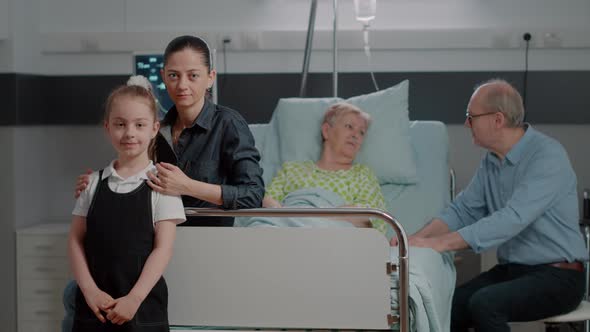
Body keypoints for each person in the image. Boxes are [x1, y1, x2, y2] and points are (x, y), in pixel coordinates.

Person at [391, 79, 587, 331]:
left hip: (560, 277)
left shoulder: (547, 156)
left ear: (497, 120)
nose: (466, 123)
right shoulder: (491, 162)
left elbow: (511, 218)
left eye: (471, 116)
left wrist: (439, 244)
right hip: (515, 270)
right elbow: (462, 210)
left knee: (485, 304)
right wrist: (413, 239)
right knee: (452, 305)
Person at [75, 35, 265, 227]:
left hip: (209, 240)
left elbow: (253, 195)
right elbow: (135, 176)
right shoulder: (156, 129)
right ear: (163, 76)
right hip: (154, 237)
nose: (182, 85)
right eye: (174, 75)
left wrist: (188, 186)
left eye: (193, 75)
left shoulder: (228, 124)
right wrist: (98, 185)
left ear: (210, 78)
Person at [68, 75, 186, 331]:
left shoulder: (162, 187)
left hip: (142, 309)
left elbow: (163, 249)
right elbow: (75, 240)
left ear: (154, 128)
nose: (130, 133)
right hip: (94, 310)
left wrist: (134, 298)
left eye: (139, 125)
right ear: (107, 127)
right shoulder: (91, 184)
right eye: (120, 124)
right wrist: (90, 291)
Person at [261, 102, 388, 235]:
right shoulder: (292, 169)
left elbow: (370, 219)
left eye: (361, 132)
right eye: (349, 126)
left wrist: (315, 221)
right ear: (326, 131)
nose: (356, 135)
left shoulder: (362, 175)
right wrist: (291, 221)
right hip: (286, 231)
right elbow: (268, 201)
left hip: (332, 235)